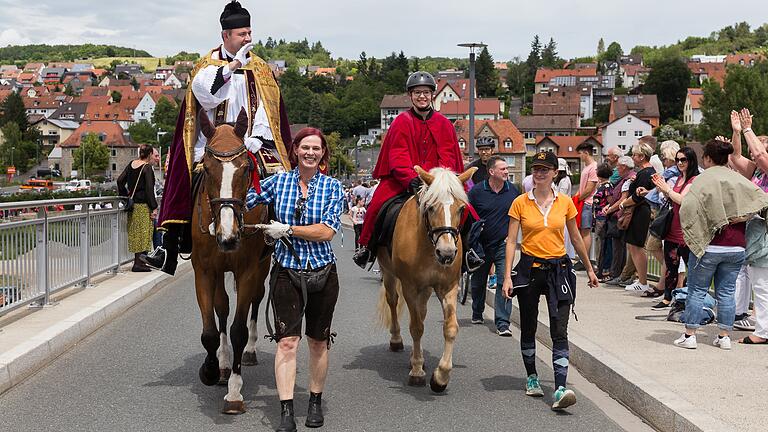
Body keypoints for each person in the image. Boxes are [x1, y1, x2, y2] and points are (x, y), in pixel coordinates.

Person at [143, 0, 292, 275]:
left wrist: (256, 138)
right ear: (226, 36)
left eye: (249, 33)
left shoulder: (261, 69)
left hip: (250, 143)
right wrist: (234, 65)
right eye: (242, 34)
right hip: (211, 144)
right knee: (185, 180)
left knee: (281, 178)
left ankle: (283, 240)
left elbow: (268, 110)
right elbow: (206, 95)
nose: (248, 39)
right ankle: (170, 246)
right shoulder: (207, 65)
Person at [245, 128, 344, 431]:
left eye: (316, 148)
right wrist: (226, 207)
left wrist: (287, 229)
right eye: (305, 148)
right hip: (287, 272)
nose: (311, 153)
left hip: (323, 273)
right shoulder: (278, 182)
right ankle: (286, 409)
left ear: (322, 153)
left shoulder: (333, 187)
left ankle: (315, 400)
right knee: (287, 342)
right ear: (296, 151)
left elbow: (326, 231)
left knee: (318, 342)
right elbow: (247, 197)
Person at [501, 151, 598, 411]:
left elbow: (576, 237)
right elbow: (511, 241)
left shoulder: (565, 202)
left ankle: (559, 388)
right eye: (536, 168)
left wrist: (589, 268)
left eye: (545, 169)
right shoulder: (520, 202)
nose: (539, 173)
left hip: (559, 270)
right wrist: (506, 276)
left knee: (559, 330)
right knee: (529, 325)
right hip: (530, 270)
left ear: (555, 173)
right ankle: (532, 376)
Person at [352, 71, 466, 268]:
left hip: (437, 185)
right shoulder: (401, 122)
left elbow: (448, 157)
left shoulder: (444, 124)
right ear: (410, 95)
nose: (422, 96)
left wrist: (438, 180)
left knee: (466, 209)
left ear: (432, 95)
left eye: (426, 92)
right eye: (417, 92)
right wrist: (411, 179)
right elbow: (397, 156)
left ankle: (469, 253)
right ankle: (367, 247)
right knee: (377, 206)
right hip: (403, 181)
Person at [674, 138, 768, 350]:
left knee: (697, 290)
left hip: (709, 244)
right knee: (726, 292)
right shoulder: (739, 179)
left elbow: (687, 207)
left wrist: (696, 230)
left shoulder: (702, 179)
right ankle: (724, 336)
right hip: (736, 246)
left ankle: (690, 335)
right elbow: (762, 200)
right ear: (727, 157)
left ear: (707, 158)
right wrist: (742, 217)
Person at [467, 155, 520, 335]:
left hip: (503, 245)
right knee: (478, 282)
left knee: (505, 280)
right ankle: (477, 310)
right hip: (481, 245)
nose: (507, 172)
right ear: (491, 172)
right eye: (503, 169)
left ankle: (503, 323)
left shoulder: (513, 191)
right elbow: (467, 216)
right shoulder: (476, 192)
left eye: (507, 168)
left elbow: (521, 216)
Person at [728, 108, 768, 341]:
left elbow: (761, 156)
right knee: (760, 284)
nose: (754, 154)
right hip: (759, 232)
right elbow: (735, 157)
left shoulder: (764, 165)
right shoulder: (758, 172)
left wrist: (747, 129)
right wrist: (736, 133)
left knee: (762, 286)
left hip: (764, 234)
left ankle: (763, 332)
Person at [650, 147, 698, 310]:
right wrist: (662, 190)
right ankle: (667, 297)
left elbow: (683, 200)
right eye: (677, 160)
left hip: (686, 232)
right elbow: (671, 199)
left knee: (691, 268)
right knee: (671, 267)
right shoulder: (678, 178)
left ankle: (687, 299)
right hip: (672, 229)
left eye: (683, 160)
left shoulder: (695, 180)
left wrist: (666, 190)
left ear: (691, 161)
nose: (679, 163)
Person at [617, 139, 657, 293]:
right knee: (634, 246)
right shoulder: (647, 172)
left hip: (640, 211)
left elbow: (637, 196)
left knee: (637, 247)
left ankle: (643, 280)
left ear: (642, 156)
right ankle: (641, 279)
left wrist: (623, 204)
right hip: (641, 210)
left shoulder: (646, 173)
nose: (633, 157)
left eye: (635, 155)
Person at [117, 144, 158, 272]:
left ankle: (139, 262)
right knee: (144, 233)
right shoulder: (147, 168)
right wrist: (154, 208)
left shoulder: (131, 164)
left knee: (136, 234)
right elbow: (149, 190)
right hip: (144, 206)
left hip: (133, 205)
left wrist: (126, 197)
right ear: (150, 154)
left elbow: (119, 181)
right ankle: (139, 264)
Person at [602, 156, 635, 284]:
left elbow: (623, 199)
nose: (616, 169)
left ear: (624, 167)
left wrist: (609, 210)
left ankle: (617, 274)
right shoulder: (626, 178)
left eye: (619, 166)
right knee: (619, 246)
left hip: (621, 216)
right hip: (620, 215)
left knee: (619, 247)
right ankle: (619, 274)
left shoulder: (629, 179)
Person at [575, 142, 598, 266]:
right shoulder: (587, 167)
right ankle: (582, 258)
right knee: (581, 231)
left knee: (585, 231)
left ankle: (584, 260)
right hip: (583, 202)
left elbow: (589, 189)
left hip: (588, 203)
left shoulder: (593, 167)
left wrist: (578, 199)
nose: (579, 156)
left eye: (580, 154)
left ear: (586, 153)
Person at [592, 163, 614, 280]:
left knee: (602, 246)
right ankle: (601, 269)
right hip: (600, 218)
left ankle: (603, 270)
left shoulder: (606, 187)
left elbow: (610, 201)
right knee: (601, 245)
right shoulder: (605, 186)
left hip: (603, 219)